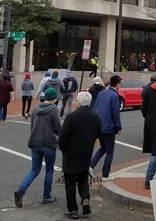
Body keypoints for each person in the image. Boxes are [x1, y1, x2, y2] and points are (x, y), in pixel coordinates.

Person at [58, 91, 102, 220]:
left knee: (70, 181)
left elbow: (62, 137)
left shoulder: (71, 117)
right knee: (83, 177)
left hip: (71, 152)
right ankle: (85, 199)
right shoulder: (96, 117)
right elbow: (99, 133)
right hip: (86, 152)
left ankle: (73, 209)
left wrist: (63, 149)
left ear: (78, 102)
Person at [14, 87, 61, 208]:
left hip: (35, 140)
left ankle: (21, 190)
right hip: (48, 142)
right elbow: (57, 128)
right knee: (49, 170)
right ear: (55, 98)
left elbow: (33, 124)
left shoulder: (36, 108)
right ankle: (46, 196)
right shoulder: (54, 110)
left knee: (34, 169)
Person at [89, 75, 122, 182]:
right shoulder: (114, 95)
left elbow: (95, 108)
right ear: (117, 84)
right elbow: (115, 113)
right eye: (120, 83)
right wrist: (118, 127)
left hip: (100, 125)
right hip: (109, 126)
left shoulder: (102, 93)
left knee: (103, 148)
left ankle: (90, 166)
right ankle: (105, 175)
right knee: (109, 151)